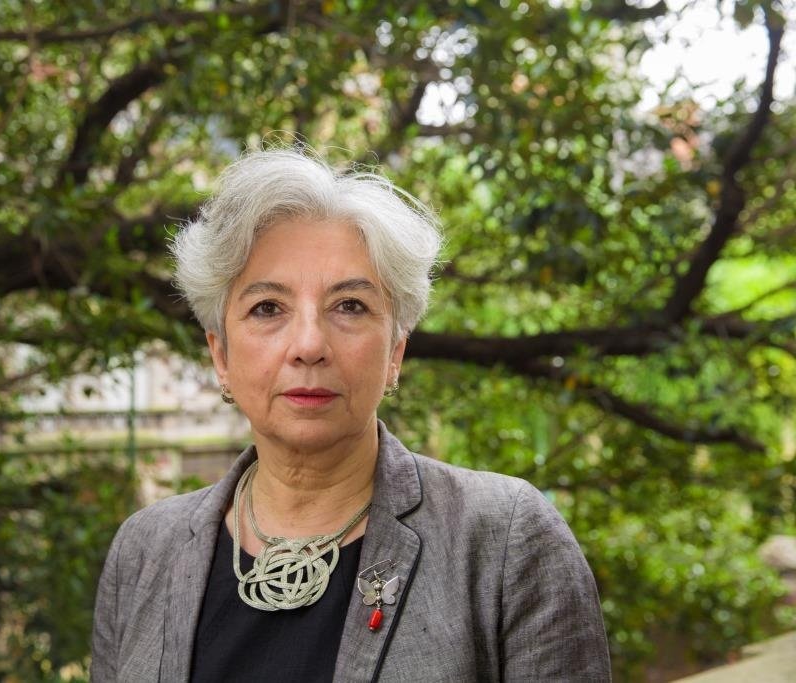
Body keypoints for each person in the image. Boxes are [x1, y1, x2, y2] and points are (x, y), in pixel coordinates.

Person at [91, 148, 611, 682]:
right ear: (220, 355)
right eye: (267, 308)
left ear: (395, 353)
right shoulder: (145, 551)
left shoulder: (502, 541)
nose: (309, 346)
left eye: (350, 306)